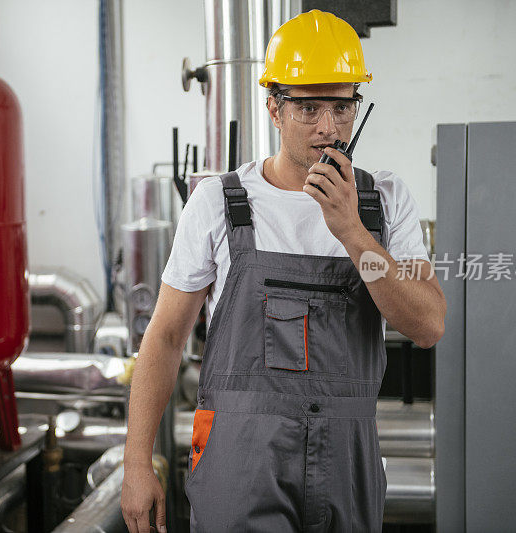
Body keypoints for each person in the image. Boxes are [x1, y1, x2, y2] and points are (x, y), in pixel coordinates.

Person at [121, 8, 446, 533]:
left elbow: (428, 324)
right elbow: (162, 338)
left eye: (342, 108)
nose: (328, 127)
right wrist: (136, 461)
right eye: (308, 108)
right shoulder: (217, 203)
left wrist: (352, 232)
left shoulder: (384, 202)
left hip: (348, 457)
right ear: (274, 108)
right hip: (240, 459)